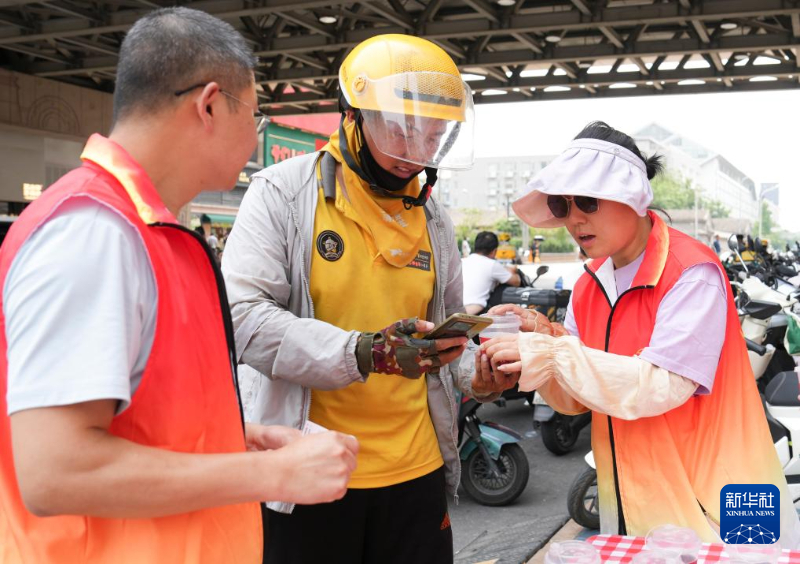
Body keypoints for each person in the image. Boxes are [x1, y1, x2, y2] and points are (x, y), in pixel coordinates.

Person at [0, 8, 358, 564]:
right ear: (209, 105)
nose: (255, 135)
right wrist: (268, 474)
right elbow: (56, 471)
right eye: (255, 115)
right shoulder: (95, 233)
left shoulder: (139, 230)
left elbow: (139, 418)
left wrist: (233, 439)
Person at [222, 34, 509, 564]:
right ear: (353, 118)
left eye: (434, 135)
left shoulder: (433, 218)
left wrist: (479, 373)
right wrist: (365, 352)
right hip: (309, 470)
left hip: (417, 471)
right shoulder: (282, 194)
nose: (417, 152)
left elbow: (444, 339)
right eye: (402, 130)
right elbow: (242, 319)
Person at [480, 121, 800, 547]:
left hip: (722, 498)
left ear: (630, 194)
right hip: (636, 497)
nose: (574, 219)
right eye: (561, 204)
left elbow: (662, 385)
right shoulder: (590, 283)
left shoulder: (692, 272)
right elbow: (576, 398)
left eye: (588, 201)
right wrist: (536, 350)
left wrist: (550, 354)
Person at [462, 231, 521, 314]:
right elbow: (516, 282)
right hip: (475, 313)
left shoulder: (462, 261)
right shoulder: (492, 264)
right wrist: (513, 270)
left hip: (452, 312)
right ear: (494, 251)